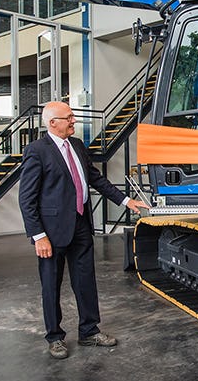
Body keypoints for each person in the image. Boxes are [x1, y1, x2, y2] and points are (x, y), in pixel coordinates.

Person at [18, 101, 149, 359]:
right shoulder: (37, 151)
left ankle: (89, 331)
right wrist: (38, 236)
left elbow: (96, 179)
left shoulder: (77, 145)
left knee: (85, 280)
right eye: (68, 117)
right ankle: (55, 337)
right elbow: (27, 198)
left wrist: (126, 201)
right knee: (51, 285)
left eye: (72, 117)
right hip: (51, 231)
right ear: (52, 123)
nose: (73, 121)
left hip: (80, 224)